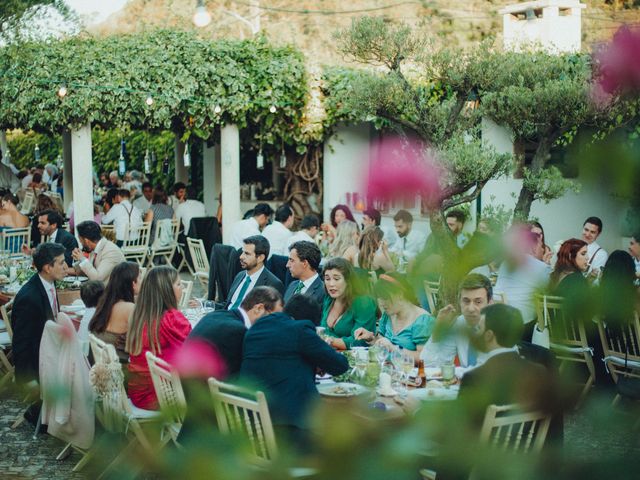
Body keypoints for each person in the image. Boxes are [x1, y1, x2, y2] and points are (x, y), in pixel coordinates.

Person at [241, 289, 349, 446]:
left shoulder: (254, 330)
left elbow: (281, 360)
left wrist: (311, 361)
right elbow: (340, 366)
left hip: (255, 430)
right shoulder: (300, 329)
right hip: (289, 432)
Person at [457, 304, 555, 425]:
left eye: (478, 329)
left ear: (488, 336)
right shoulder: (540, 372)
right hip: (531, 442)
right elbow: (554, 423)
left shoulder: (474, 378)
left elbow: (461, 429)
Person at [126, 266, 192, 410]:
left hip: (138, 391)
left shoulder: (140, 314)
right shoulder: (172, 318)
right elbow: (193, 352)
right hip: (160, 395)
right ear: (167, 290)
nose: (182, 288)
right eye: (179, 284)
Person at [188, 286, 283, 378]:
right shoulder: (238, 332)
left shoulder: (216, 314)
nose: (276, 323)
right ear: (258, 309)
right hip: (199, 391)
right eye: (274, 316)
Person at [11, 243, 67, 387]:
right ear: (48, 268)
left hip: (51, 352)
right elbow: (21, 341)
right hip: (39, 363)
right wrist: (28, 380)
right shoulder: (30, 298)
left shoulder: (49, 282)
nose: (66, 267)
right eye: (61, 263)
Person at [420, 273, 492, 369]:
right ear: (459, 302)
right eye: (466, 301)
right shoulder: (459, 323)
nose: (470, 308)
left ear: (490, 303)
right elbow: (430, 365)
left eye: (478, 302)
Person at [355, 273, 433, 360]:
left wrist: (394, 349)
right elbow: (382, 344)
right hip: (388, 369)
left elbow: (423, 358)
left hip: (411, 371)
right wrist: (370, 338)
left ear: (399, 295)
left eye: (385, 298)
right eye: (379, 298)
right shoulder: (388, 315)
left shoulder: (422, 321)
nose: (381, 303)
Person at [494, 225, 550, 327]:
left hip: (495, 315)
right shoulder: (542, 267)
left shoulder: (506, 263)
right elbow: (550, 291)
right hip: (521, 321)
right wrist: (546, 265)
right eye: (540, 246)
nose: (542, 250)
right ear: (533, 246)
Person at [89, 262, 141, 364]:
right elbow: (141, 343)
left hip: (103, 365)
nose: (142, 281)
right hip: (120, 367)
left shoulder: (105, 303)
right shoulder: (130, 309)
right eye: (140, 278)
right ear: (133, 284)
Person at [320, 257, 377, 350]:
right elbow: (323, 329)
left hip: (354, 359)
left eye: (336, 279)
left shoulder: (363, 303)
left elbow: (358, 341)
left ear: (348, 281)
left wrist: (327, 340)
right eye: (327, 279)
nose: (331, 284)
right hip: (328, 353)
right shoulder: (329, 299)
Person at [224, 235, 285, 310]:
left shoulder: (273, 284)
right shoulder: (240, 275)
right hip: (227, 316)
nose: (241, 257)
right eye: (242, 252)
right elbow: (229, 303)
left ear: (260, 258)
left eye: (247, 253)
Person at [284, 240, 325, 305]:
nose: (287, 265)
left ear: (304, 263)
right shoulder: (292, 285)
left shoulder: (323, 291)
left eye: (292, 260)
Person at [77, 280, 105, 357]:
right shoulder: (98, 315)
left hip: (82, 353)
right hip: (91, 355)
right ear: (102, 298)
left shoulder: (88, 312)